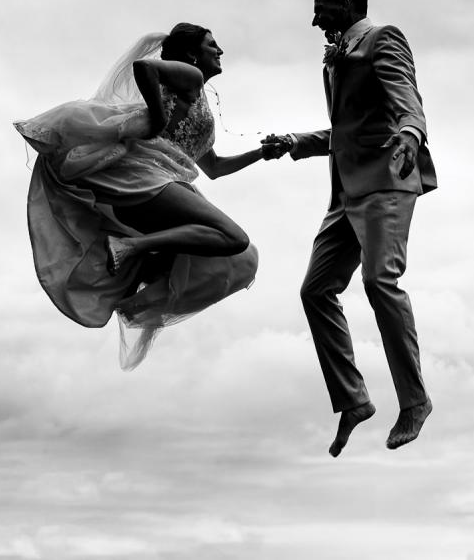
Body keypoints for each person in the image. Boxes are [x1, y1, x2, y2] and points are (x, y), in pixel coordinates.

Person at [15, 23, 287, 368]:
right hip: (144, 179)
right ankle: (131, 248)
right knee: (234, 239)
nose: (219, 52)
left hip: (159, 183)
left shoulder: (196, 94)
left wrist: (261, 154)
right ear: (191, 54)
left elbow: (215, 167)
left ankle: (140, 257)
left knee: (238, 255)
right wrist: (157, 117)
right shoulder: (191, 75)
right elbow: (144, 68)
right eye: (212, 45)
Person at [264, 0, 437, 455]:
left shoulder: (382, 38)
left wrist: (410, 134)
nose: (315, 18)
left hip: (387, 181)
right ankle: (353, 400)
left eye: (322, 7)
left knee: (380, 282)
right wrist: (295, 141)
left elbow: (406, 99)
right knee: (315, 289)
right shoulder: (336, 59)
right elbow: (347, 130)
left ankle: (415, 401)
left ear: (346, 4)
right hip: (344, 195)